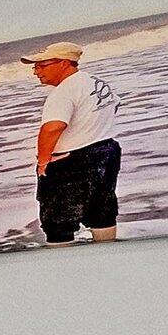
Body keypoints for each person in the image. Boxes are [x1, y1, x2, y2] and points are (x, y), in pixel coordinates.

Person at [24, 39, 124, 244]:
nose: (36, 71)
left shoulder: (63, 92)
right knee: (102, 211)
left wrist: (43, 161)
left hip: (71, 161)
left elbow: (53, 127)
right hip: (106, 151)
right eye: (35, 66)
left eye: (41, 65)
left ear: (63, 63)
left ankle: (61, 267)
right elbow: (115, 104)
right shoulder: (95, 82)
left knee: (57, 223)